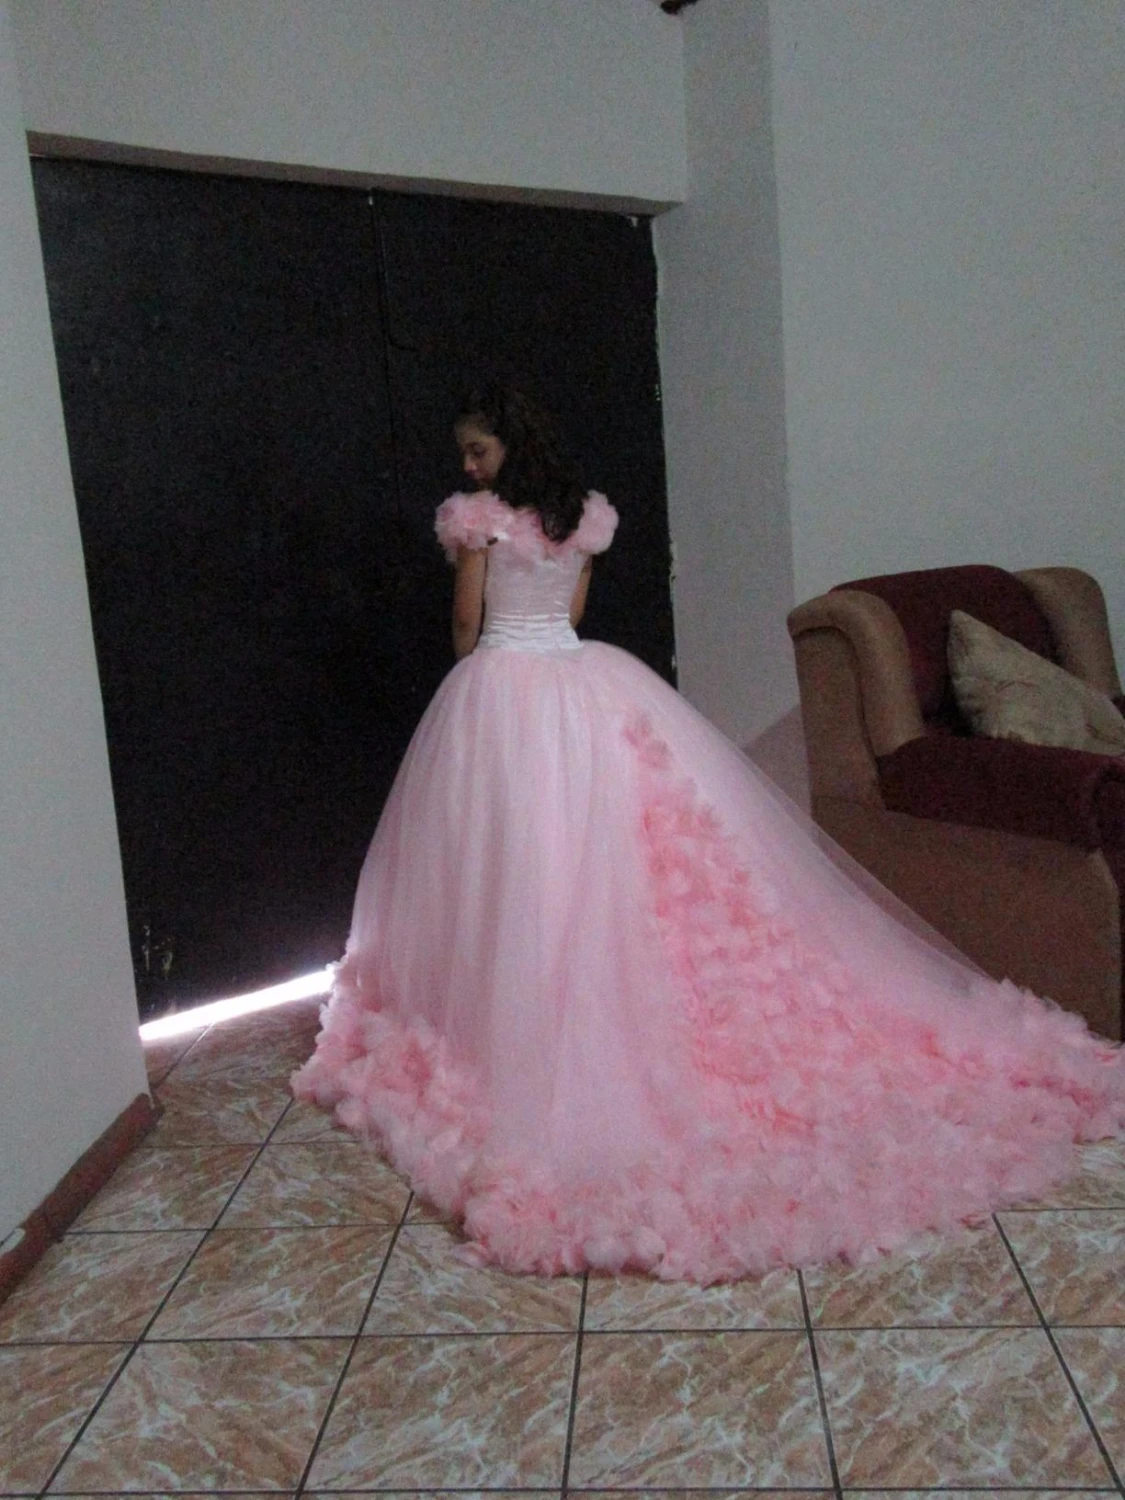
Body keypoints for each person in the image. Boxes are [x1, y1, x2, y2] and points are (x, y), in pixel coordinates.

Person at [293, 382, 1125, 1283]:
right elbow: (570, 619)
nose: (466, 465)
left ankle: (521, 1009)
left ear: (508, 448)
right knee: (600, 848)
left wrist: (481, 662)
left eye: (477, 450)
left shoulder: (478, 523)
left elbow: (467, 625)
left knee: (511, 858)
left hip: (501, 683)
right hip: (581, 681)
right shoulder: (581, 520)